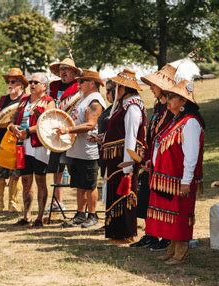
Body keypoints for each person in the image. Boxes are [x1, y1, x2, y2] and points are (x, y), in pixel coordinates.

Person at [145, 79, 204, 265]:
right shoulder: (176, 121)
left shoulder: (191, 123)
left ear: (184, 102)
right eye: (168, 96)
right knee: (171, 214)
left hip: (179, 179)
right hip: (166, 178)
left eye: (173, 97)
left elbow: (191, 155)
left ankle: (181, 251)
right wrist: (152, 163)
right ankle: (172, 248)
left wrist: (187, 180)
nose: (168, 100)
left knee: (180, 214)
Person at [130, 64, 176, 250]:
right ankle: (151, 234)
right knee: (149, 198)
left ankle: (166, 236)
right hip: (152, 159)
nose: (151, 88)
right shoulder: (158, 106)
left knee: (163, 198)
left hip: (165, 160)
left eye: (154, 85)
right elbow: (153, 134)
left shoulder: (172, 109)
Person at [102, 69, 147, 244]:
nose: (114, 88)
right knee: (116, 193)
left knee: (125, 193)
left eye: (117, 85)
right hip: (116, 160)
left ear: (124, 87)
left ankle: (125, 232)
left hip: (124, 159)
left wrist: (128, 164)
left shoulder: (133, 106)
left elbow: (131, 136)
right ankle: (116, 232)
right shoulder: (124, 104)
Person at [57, 70, 105, 228]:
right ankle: (80, 214)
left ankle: (92, 215)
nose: (79, 84)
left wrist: (68, 131)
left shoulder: (95, 102)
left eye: (82, 81)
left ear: (91, 83)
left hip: (88, 150)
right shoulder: (83, 99)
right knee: (79, 184)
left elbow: (91, 125)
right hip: (77, 149)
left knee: (90, 185)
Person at [10, 73, 55, 228]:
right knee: (25, 181)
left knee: (40, 180)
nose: (32, 84)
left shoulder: (49, 102)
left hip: (39, 145)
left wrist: (28, 131)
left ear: (44, 86)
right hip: (22, 145)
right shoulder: (24, 100)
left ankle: (40, 217)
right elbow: (13, 119)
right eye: (31, 82)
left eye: (36, 82)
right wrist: (12, 127)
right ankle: (26, 215)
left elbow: (47, 123)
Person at [0, 68, 27, 211]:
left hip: (19, 141)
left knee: (16, 173)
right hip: (2, 140)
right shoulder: (3, 100)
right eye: (8, 81)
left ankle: (13, 203)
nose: (10, 84)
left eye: (13, 81)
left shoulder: (25, 101)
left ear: (21, 84)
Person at [48, 57, 82, 211]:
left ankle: (81, 206)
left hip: (72, 131)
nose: (63, 72)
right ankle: (57, 201)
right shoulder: (53, 87)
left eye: (66, 69)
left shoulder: (79, 89)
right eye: (61, 69)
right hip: (55, 130)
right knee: (57, 168)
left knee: (75, 168)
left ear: (74, 72)